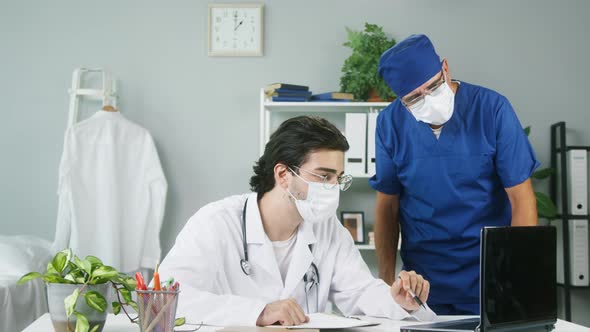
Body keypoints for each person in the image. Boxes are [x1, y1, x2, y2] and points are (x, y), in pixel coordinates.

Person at [159, 116, 436, 326]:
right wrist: (258, 312)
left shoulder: (327, 229)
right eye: (323, 176)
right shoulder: (216, 223)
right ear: (283, 174)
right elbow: (166, 300)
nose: (333, 188)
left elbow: (359, 290)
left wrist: (398, 300)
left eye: (338, 178)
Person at [369, 34, 539, 315]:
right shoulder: (390, 123)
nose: (428, 99)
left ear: (445, 68)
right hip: (422, 282)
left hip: (489, 275)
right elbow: (387, 207)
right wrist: (386, 282)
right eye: (414, 98)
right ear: (401, 101)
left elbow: (521, 199)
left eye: (433, 86)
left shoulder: (492, 109)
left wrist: (515, 277)